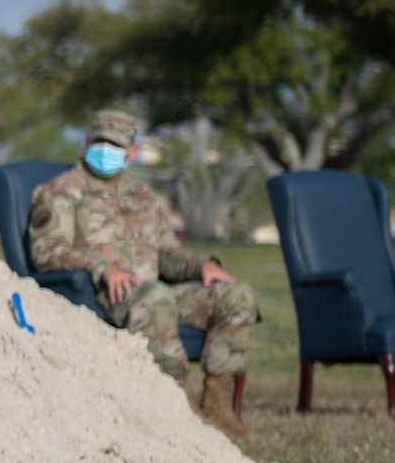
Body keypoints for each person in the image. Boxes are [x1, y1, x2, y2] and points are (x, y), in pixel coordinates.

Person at [28, 110, 254, 439]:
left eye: (115, 145)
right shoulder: (60, 192)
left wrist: (201, 264)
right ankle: (174, 404)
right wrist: (101, 267)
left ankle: (217, 405)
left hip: (155, 291)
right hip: (106, 296)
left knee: (238, 295)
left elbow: (166, 253)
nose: (105, 150)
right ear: (88, 142)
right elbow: (47, 252)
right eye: (100, 142)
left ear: (132, 152)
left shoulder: (142, 195)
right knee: (155, 297)